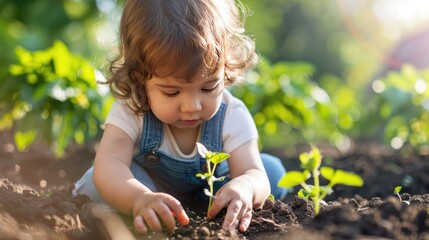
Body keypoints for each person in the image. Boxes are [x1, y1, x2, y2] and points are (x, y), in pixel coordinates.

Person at [73, 0, 287, 235]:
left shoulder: (232, 113)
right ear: (139, 78)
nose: (192, 106)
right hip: (149, 187)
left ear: (224, 70)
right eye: (171, 92)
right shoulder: (132, 109)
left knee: (271, 172)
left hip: (213, 194)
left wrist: (245, 186)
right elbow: (110, 162)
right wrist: (139, 198)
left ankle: (216, 209)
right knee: (96, 181)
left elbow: (252, 171)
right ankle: (149, 212)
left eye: (208, 88)